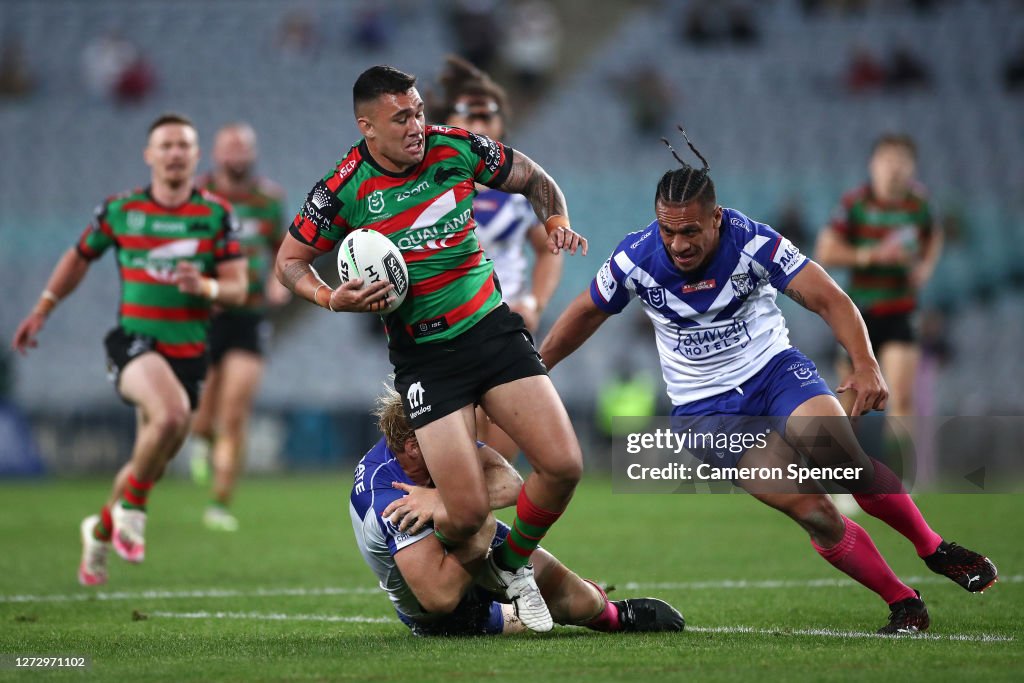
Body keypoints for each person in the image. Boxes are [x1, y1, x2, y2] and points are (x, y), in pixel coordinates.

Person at [538, 128, 996, 634]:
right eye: (668, 231)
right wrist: (535, 371)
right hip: (706, 411)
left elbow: (829, 298)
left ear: (716, 217)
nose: (678, 244)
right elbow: (584, 313)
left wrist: (865, 362)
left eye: (690, 231)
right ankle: (903, 602)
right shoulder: (635, 258)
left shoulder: (754, 242)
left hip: (774, 373)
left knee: (842, 460)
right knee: (815, 512)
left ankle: (934, 548)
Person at [276, 65, 587, 632]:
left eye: (419, 110)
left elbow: (536, 179)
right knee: (465, 511)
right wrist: (329, 298)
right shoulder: (341, 188)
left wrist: (557, 217)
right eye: (402, 117)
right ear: (367, 126)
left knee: (564, 465)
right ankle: (486, 579)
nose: (418, 124)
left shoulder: (457, 147)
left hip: (492, 331)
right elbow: (288, 262)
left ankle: (510, 567)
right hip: (425, 360)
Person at [11, 113, 247, 586]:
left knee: (152, 458)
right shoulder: (121, 210)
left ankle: (99, 529)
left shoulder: (215, 214)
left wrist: (204, 285)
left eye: (184, 145)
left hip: (188, 352)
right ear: (149, 155)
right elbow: (79, 257)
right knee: (173, 415)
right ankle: (133, 512)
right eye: (166, 145)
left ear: (196, 156)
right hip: (135, 343)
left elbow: (239, 289)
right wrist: (44, 306)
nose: (175, 153)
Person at [351, 387, 684, 636]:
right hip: (443, 613)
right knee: (477, 525)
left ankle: (613, 614)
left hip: (467, 537)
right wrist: (474, 519)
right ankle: (507, 601)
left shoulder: (435, 443)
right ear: (412, 447)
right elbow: (439, 597)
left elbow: (511, 485)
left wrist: (443, 498)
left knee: (582, 602)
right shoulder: (385, 496)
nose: (459, 438)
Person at [433, 55, 564, 461]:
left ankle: (485, 523)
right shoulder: (427, 186)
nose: (477, 125)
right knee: (452, 456)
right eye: (466, 115)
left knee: (500, 456)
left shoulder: (520, 189)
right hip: (446, 328)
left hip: (503, 322)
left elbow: (548, 248)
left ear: (501, 126)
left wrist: (535, 303)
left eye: (486, 116)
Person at [188, 122, 290, 532]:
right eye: (229, 147)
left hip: (248, 318)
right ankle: (201, 440)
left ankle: (219, 502)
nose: (236, 155)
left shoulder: (267, 200)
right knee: (202, 419)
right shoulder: (197, 197)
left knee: (234, 415)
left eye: (242, 148)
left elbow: (280, 247)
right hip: (205, 317)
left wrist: (275, 284)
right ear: (216, 154)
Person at [815, 133, 943, 419]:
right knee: (851, 404)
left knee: (903, 400)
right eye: (887, 160)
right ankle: (845, 464)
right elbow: (825, 251)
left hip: (901, 309)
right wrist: (871, 255)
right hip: (859, 312)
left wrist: (925, 267)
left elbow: (934, 234)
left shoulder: (920, 204)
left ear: (912, 167)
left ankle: (899, 466)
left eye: (901, 160)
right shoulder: (855, 204)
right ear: (873, 165)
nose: (894, 167)